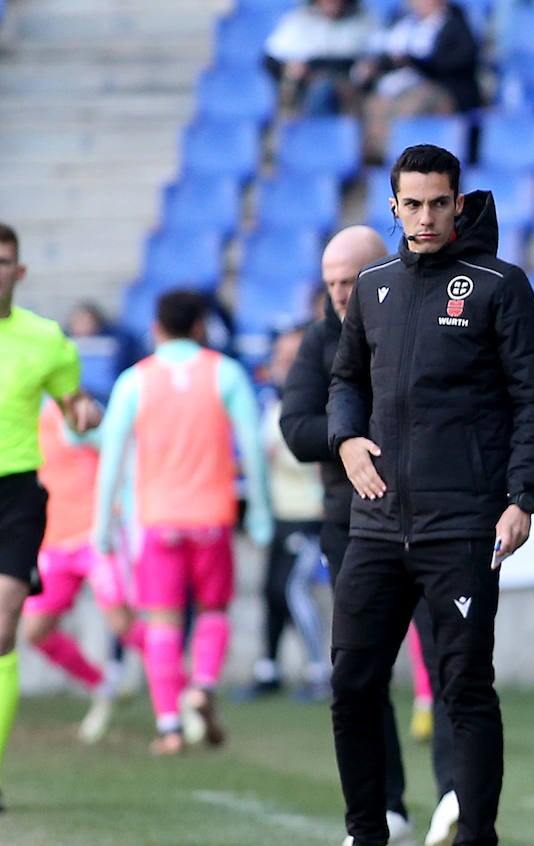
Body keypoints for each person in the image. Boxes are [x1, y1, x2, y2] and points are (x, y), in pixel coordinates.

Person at [305, 144, 534, 846]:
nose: (424, 217)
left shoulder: (497, 287)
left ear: (458, 204)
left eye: (437, 203)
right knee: (352, 682)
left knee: (463, 689)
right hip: (378, 526)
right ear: (393, 207)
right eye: (411, 205)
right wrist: (348, 438)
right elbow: (345, 378)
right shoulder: (376, 287)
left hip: (462, 526)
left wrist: (521, 499)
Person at [279, 224, 437, 846]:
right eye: (332, 283)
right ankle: (387, 807)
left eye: (351, 281)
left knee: (452, 666)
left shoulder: (422, 322)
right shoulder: (320, 341)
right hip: (352, 523)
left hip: (436, 517)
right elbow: (296, 428)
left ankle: (456, 795)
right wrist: (355, 441)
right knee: (360, 672)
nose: (341, 294)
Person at [93, 290, 273, 755]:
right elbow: (251, 446)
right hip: (211, 516)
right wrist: (260, 516)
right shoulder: (225, 373)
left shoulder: (135, 380)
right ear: (200, 327)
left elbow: (112, 457)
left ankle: (170, 724)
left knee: (163, 625)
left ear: (156, 328)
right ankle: (203, 685)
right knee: (213, 612)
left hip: (156, 520)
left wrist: (101, 528)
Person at [0, 222, 102, 810]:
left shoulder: (45, 340)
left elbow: (72, 403)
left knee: (5, 624)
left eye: (4, 260)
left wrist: (83, 411)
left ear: (20, 271)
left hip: (15, 495)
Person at [19, 398, 146, 744]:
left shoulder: (69, 412)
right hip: (52, 540)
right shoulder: (19, 420)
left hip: (95, 534)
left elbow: (120, 448)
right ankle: (103, 686)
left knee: (121, 622)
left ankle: (180, 691)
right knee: (36, 631)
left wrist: (125, 502)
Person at [246, 327, 328, 701]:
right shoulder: (274, 402)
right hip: (280, 512)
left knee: (292, 589)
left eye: (292, 354)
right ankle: (269, 669)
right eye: (279, 353)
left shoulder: (318, 402)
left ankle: (319, 670)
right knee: (270, 591)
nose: (283, 361)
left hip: (308, 513)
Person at [357, 0, 483, 163]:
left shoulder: (455, 26)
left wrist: (416, 62)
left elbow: (460, 62)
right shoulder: (403, 25)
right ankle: (378, 159)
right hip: (403, 84)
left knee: (409, 107)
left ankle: (403, 160)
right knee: (375, 104)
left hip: (443, 89)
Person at [263, 0, 377, 115]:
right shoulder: (298, 21)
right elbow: (272, 59)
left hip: (350, 82)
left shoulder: (365, 20)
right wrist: (289, 67)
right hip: (306, 84)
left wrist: (370, 67)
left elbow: (378, 53)